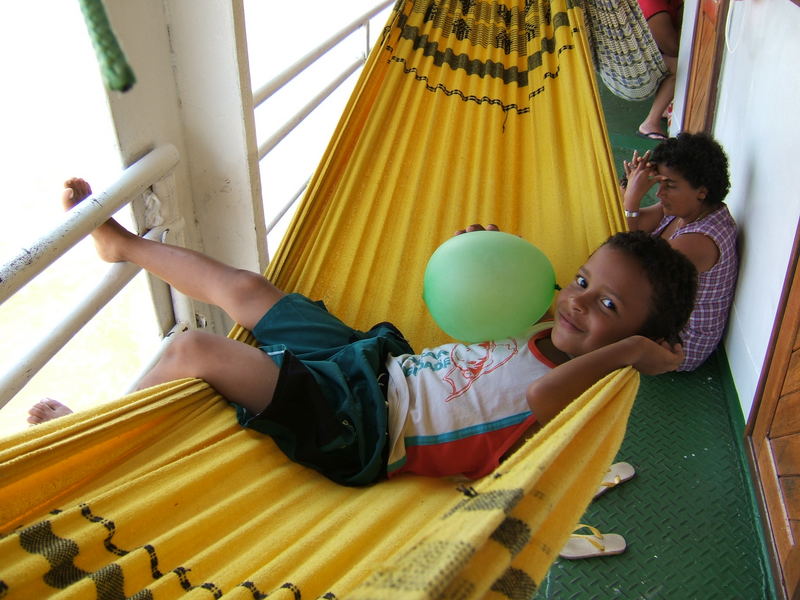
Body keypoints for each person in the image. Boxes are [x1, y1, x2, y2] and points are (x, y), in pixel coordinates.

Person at [28, 178, 697, 486]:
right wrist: (482, 253)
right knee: (248, 292)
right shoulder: (551, 323)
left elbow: (537, 402)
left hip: (363, 425)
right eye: (583, 281)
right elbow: (480, 308)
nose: (578, 304)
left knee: (194, 348)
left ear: (630, 342)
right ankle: (123, 246)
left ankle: (91, 439)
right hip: (379, 364)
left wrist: (637, 357)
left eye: (609, 307)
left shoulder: (582, 393)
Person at [622, 132, 737, 371]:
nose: (659, 193)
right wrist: (629, 183)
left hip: (677, 343)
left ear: (702, 191)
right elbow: (633, 225)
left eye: (670, 186)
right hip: (660, 309)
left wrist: (632, 201)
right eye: (658, 183)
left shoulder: (700, 241)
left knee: (597, 308)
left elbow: (631, 270)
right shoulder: (688, 209)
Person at [637, 0, 683, 140]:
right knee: (677, 66)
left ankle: (664, 107)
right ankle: (650, 123)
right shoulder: (650, 3)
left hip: (654, 53)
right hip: (634, 67)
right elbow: (673, 48)